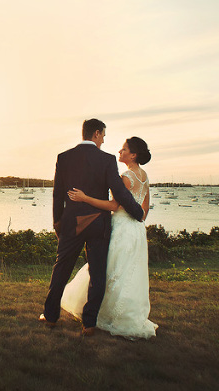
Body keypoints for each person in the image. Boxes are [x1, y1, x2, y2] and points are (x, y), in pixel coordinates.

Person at [39, 120, 144, 336]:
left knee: (61, 269)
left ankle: (50, 317)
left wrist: (57, 223)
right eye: (103, 135)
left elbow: (58, 194)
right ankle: (89, 323)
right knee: (97, 274)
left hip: (71, 224)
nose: (104, 139)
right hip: (99, 224)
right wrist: (138, 212)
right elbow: (119, 191)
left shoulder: (64, 157)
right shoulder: (107, 159)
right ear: (96, 134)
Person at [60, 136, 157, 339]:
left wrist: (85, 198)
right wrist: (138, 221)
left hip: (121, 227)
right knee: (129, 272)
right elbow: (144, 208)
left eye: (123, 150)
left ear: (133, 154)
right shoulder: (145, 176)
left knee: (107, 269)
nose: (119, 152)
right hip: (137, 230)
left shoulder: (126, 178)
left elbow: (114, 206)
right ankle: (127, 315)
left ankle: (104, 314)